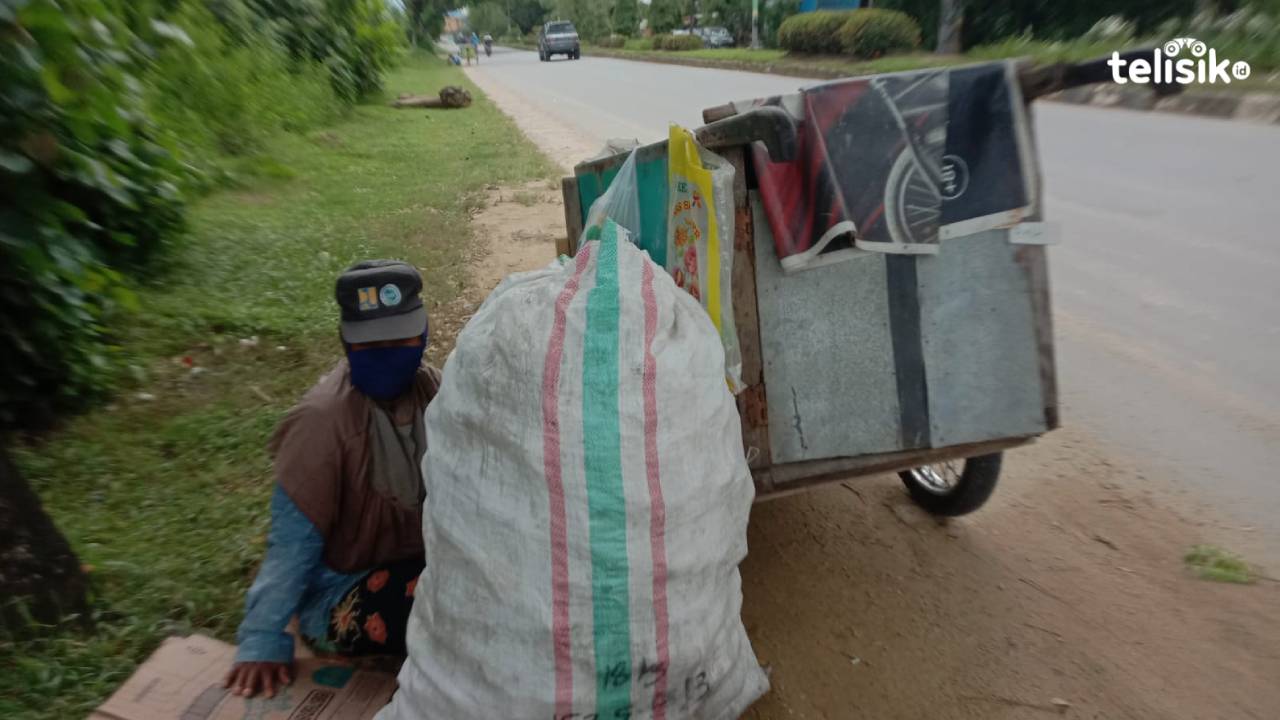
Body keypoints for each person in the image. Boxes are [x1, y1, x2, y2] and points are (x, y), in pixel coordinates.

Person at [223, 260, 442, 699]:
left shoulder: (432, 390)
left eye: (401, 339)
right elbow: (290, 545)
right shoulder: (322, 424)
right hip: (342, 589)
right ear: (346, 343)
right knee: (449, 607)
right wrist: (261, 637)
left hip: (419, 563)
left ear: (422, 335)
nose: (388, 352)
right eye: (370, 345)